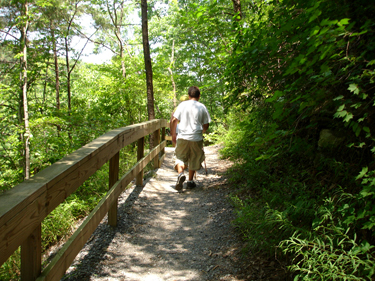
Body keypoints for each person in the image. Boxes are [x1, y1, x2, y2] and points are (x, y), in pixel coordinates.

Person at [170, 86, 211, 191]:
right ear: (199, 96)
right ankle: (190, 181)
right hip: (196, 137)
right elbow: (206, 125)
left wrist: (173, 134)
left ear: (189, 95)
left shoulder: (182, 105)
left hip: (183, 136)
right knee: (194, 158)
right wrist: (201, 132)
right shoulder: (202, 107)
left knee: (180, 157)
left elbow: (174, 120)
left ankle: (180, 174)